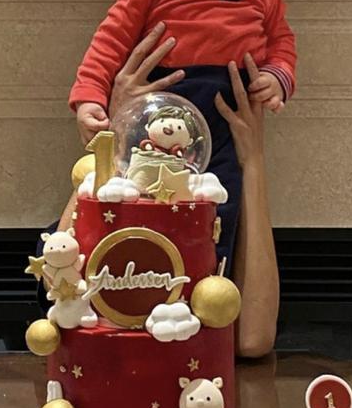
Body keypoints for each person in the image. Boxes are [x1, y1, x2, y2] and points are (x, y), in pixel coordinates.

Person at [68, 0, 296, 271]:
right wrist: (90, 100)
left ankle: (208, 278)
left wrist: (277, 76)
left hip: (230, 112)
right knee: (145, 198)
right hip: (162, 105)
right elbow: (108, 45)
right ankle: (142, 274)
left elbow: (281, 40)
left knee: (220, 200)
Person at [58, 25, 279, 357]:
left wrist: (253, 160)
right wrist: (116, 130)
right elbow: (56, 286)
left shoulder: (215, 196)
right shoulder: (112, 191)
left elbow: (253, 340)